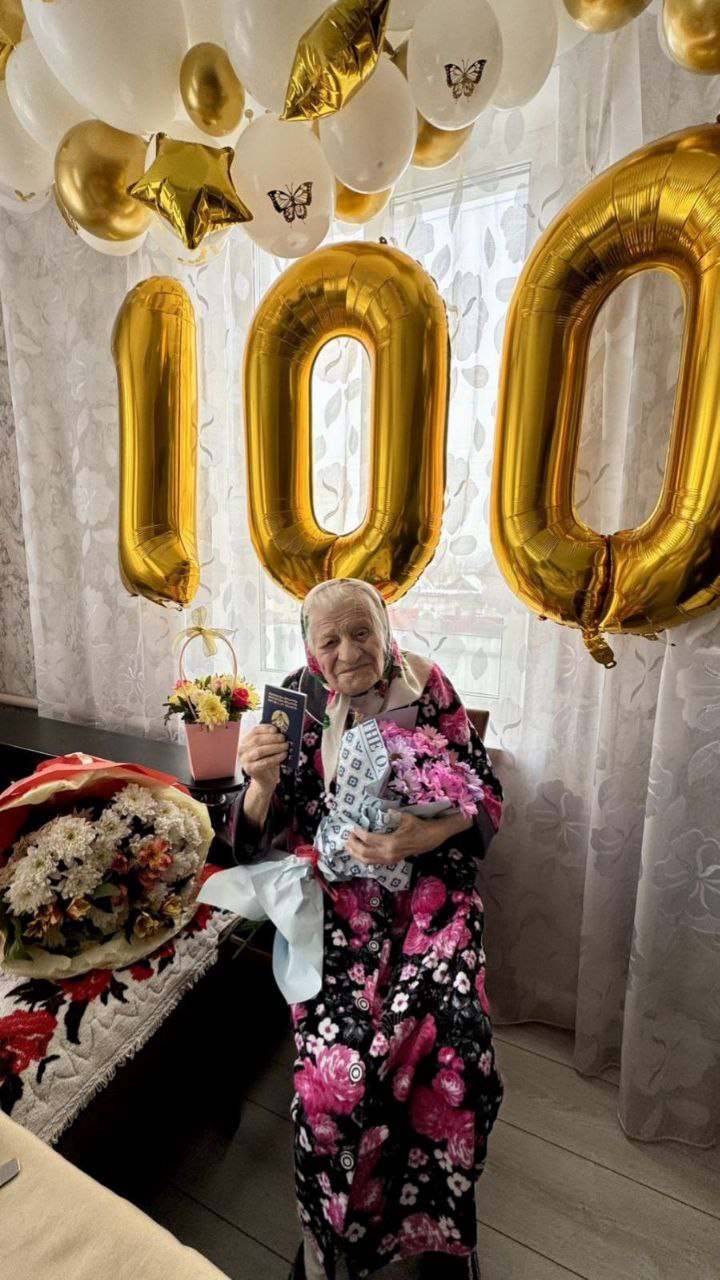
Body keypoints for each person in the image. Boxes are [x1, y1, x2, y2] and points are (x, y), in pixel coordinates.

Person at [235, 579, 504, 1280]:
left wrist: (424, 836)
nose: (349, 651)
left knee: (455, 1045)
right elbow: (259, 841)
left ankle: (442, 1232)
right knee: (334, 1080)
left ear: (387, 632)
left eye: (362, 632)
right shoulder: (295, 704)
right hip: (335, 907)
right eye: (330, 640)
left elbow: (484, 793)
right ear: (310, 650)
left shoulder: (427, 684)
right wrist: (259, 785)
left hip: (430, 898)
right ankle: (330, 1240)